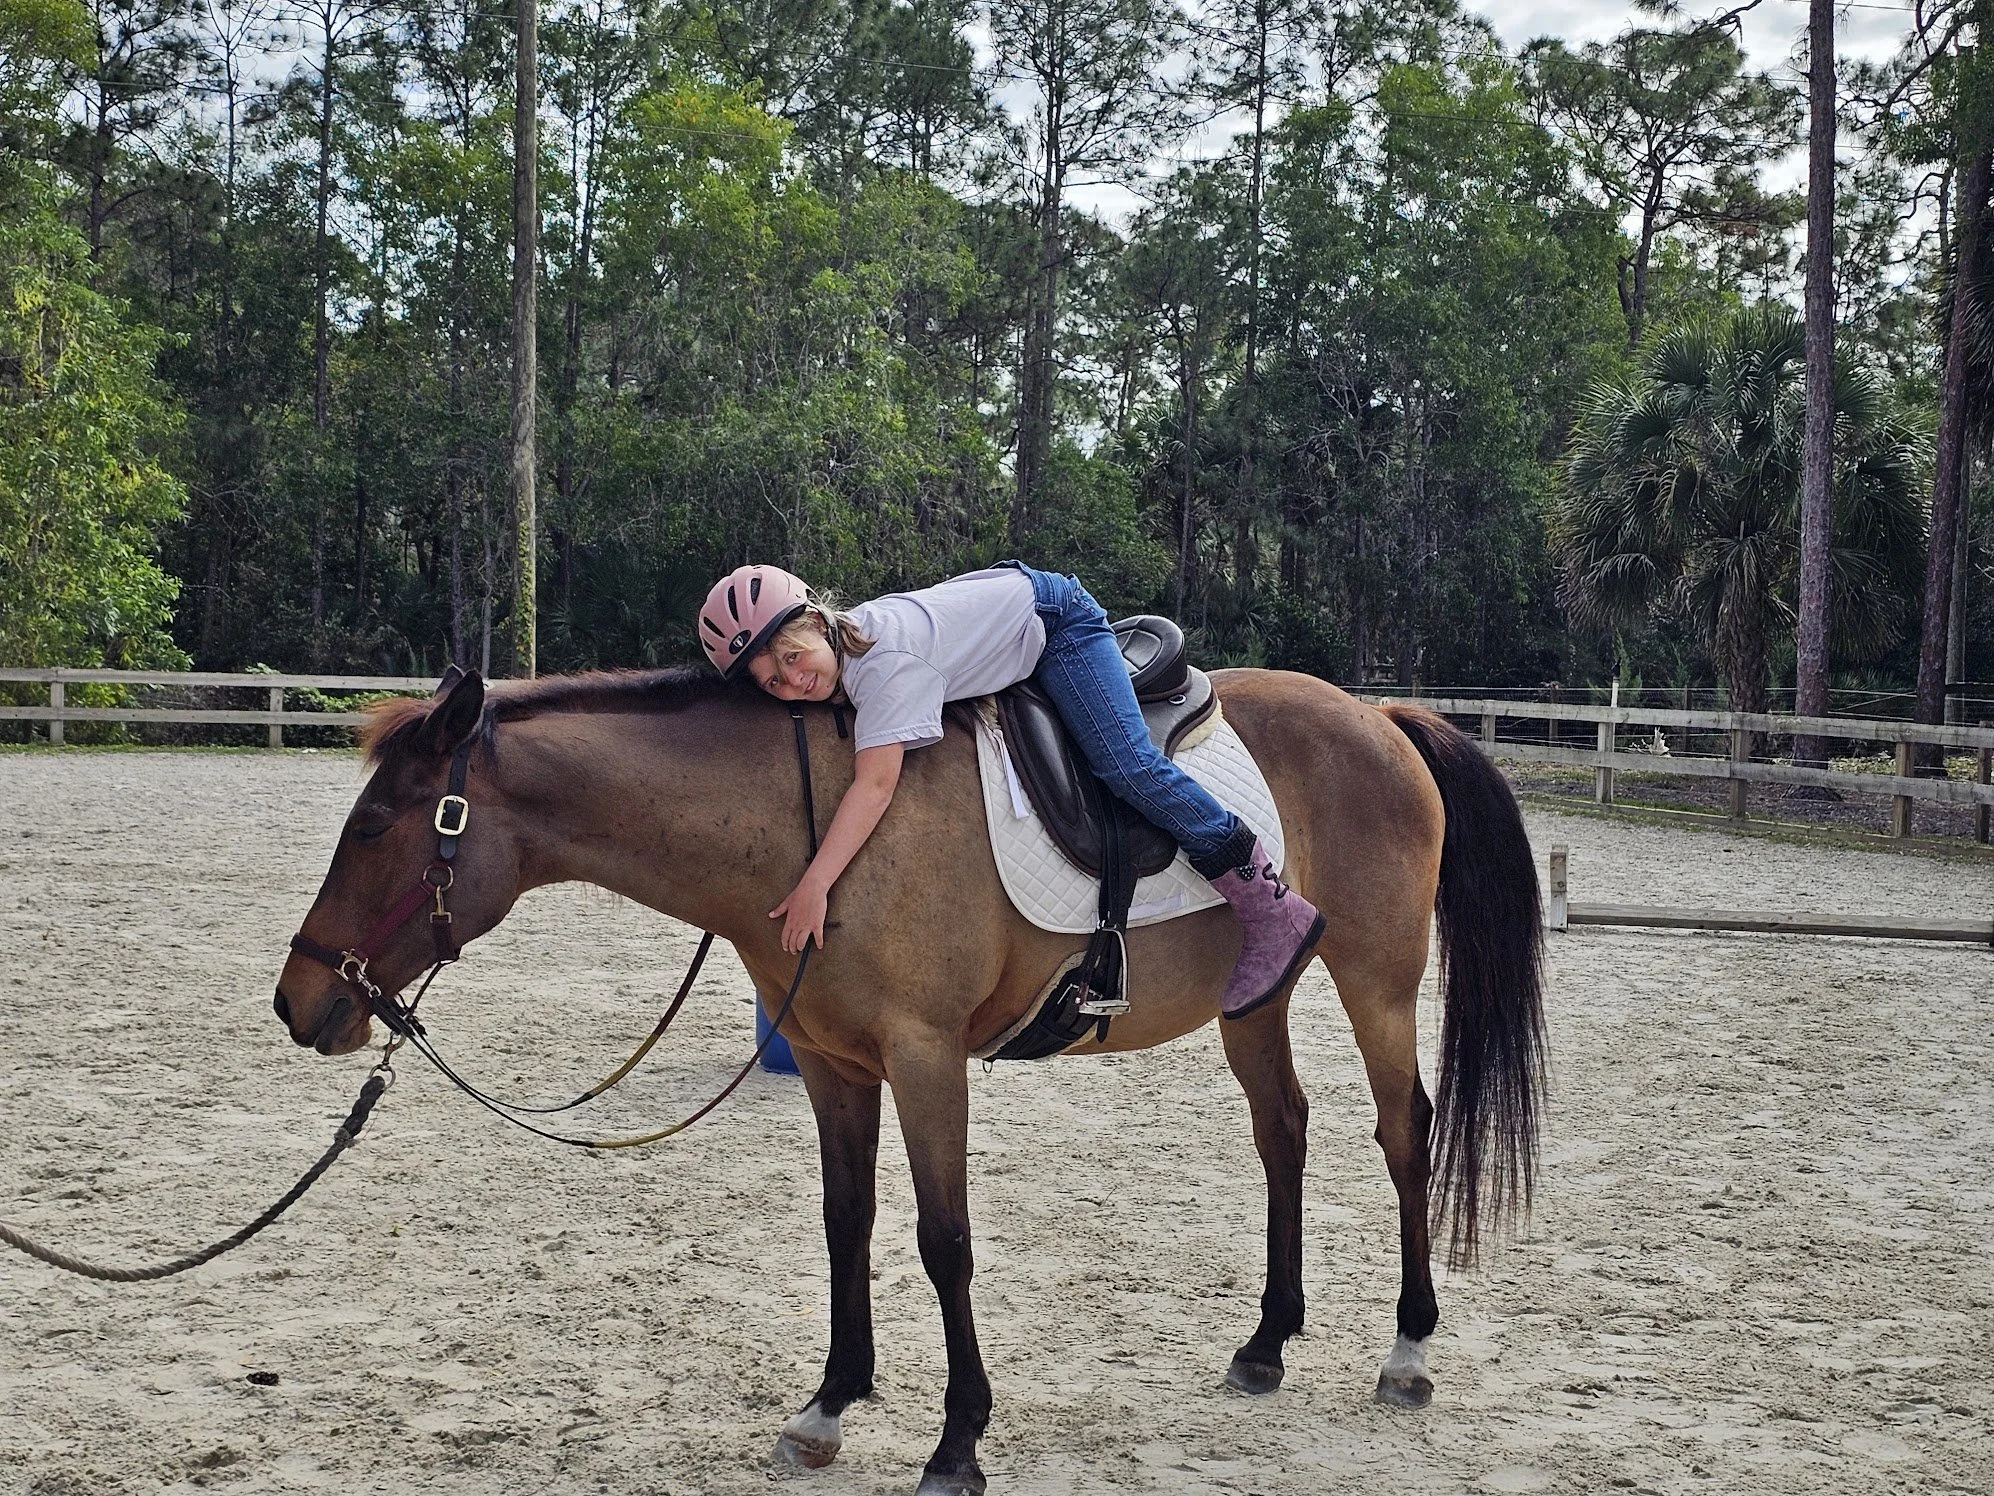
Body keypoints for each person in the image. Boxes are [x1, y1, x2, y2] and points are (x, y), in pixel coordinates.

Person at [697, 562, 1324, 1019]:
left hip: (1057, 620)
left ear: (816, 619)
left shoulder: (886, 665)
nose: (790, 679)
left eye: (793, 656)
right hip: (1003, 600)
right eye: (771, 680)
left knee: (1127, 765)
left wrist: (814, 884)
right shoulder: (847, 649)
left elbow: (876, 784)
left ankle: (1269, 901)